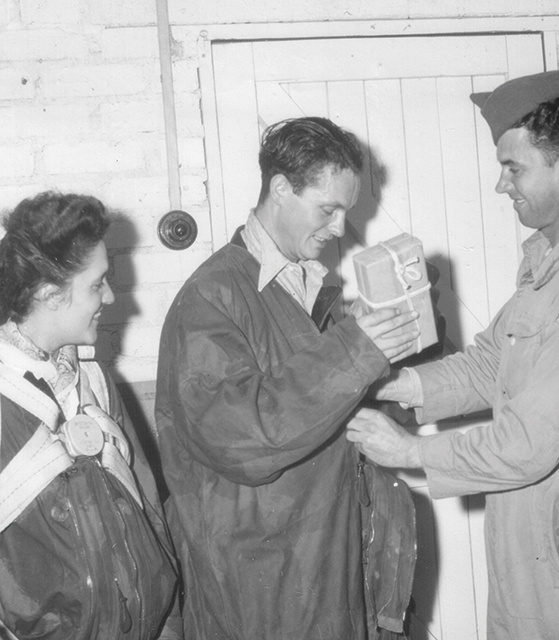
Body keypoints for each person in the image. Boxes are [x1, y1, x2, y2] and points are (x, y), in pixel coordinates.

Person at [347, 70, 559, 639]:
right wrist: (396, 384)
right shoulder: (552, 261)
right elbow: (493, 363)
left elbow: (530, 444)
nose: (501, 185)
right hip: (531, 506)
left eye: (514, 168)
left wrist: (411, 450)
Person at [154, 116, 420, 639]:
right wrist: (357, 351)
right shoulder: (211, 298)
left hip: (323, 560)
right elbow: (246, 439)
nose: (341, 228)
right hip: (258, 582)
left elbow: (326, 410)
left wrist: (402, 348)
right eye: (328, 209)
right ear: (279, 189)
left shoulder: (310, 290)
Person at [0, 192, 178, 639]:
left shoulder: (96, 382)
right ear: (49, 294)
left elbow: (151, 519)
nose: (110, 295)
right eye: (97, 283)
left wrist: (170, 626)